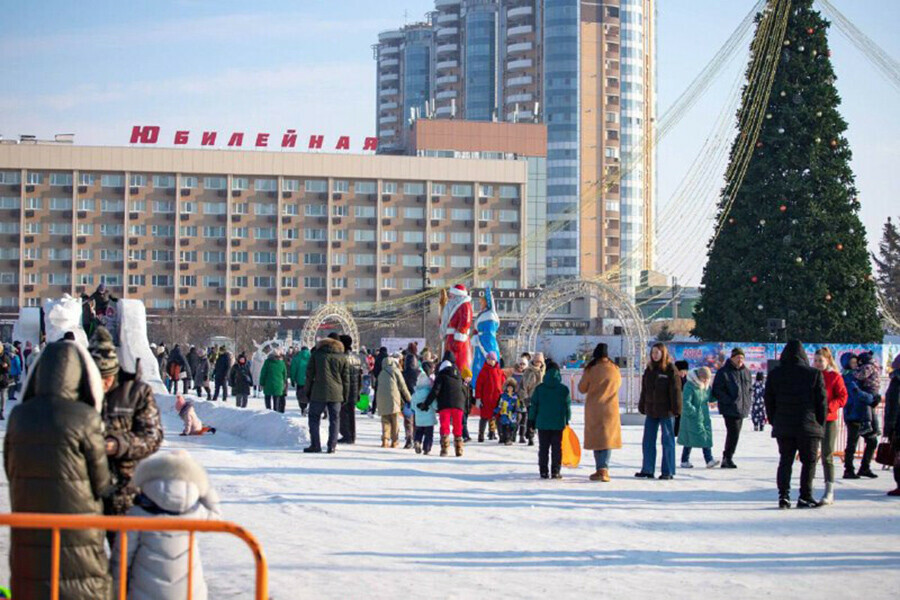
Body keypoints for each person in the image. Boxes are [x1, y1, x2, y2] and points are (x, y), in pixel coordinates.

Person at [5, 340, 113, 599]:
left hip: (29, 527)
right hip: (79, 532)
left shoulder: (19, 416)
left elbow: (10, 469)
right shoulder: (85, 417)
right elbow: (101, 482)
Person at [111, 450, 221, 599]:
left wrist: (117, 591)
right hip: (188, 592)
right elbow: (216, 517)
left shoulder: (139, 511)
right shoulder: (194, 512)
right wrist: (203, 483)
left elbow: (123, 556)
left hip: (144, 591)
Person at [88, 326, 164, 525]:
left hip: (127, 491)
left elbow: (153, 436)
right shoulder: (80, 392)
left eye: (107, 378)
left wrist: (117, 444)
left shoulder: (137, 393)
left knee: (124, 554)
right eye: (97, 378)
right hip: (87, 493)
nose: (103, 384)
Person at [765, 340, 827, 509]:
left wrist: (774, 420)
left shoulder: (775, 374)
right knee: (809, 462)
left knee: (785, 461)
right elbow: (821, 403)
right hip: (808, 425)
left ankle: (783, 496)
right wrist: (819, 424)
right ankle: (805, 496)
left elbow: (769, 401)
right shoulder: (813, 374)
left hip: (784, 425)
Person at [636, 342, 682, 480]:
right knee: (648, 440)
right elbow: (645, 390)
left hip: (666, 411)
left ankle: (668, 471)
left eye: (657, 352)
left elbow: (676, 391)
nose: (655, 355)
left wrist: (676, 408)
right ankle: (647, 469)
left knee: (667, 441)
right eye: (653, 352)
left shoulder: (671, 370)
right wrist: (642, 404)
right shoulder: (649, 369)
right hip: (651, 410)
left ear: (663, 353)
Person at [579, 343, 622, 482]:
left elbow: (582, 388)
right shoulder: (615, 369)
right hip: (611, 408)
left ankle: (601, 469)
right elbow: (619, 384)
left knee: (597, 439)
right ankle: (603, 468)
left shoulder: (592, 369)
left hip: (594, 408)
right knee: (607, 439)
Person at [814, 348, 848, 505]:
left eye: (821, 361)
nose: (818, 364)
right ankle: (807, 489)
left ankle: (829, 490)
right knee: (811, 455)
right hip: (812, 420)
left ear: (828, 361)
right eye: (815, 361)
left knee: (827, 455)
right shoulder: (811, 376)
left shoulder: (834, 377)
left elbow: (843, 396)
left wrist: (830, 407)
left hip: (828, 420)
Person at [528, 360, 572, 480]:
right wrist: (567, 420)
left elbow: (534, 406)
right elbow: (567, 407)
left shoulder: (539, 389)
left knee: (543, 448)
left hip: (542, 423)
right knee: (557, 448)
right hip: (558, 423)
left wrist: (531, 420)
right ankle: (555, 471)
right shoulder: (564, 390)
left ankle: (543, 471)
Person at [305, 337, 350, 454]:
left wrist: (307, 392)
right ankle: (332, 446)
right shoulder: (342, 357)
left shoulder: (316, 355)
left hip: (318, 392)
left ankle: (315, 445)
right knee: (335, 419)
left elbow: (309, 375)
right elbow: (346, 379)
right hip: (336, 393)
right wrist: (345, 395)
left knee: (314, 418)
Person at [711, 347, 753, 469]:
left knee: (735, 434)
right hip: (730, 409)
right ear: (732, 358)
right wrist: (729, 401)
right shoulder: (724, 372)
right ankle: (727, 457)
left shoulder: (746, 372)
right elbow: (717, 390)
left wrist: (748, 400)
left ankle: (728, 456)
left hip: (742, 408)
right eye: (738, 357)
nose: (740, 360)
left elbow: (749, 389)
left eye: (742, 358)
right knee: (733, 433)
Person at [420, 351, 468, 457]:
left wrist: (426, 404)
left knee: (445, 426)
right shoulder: (458, 375)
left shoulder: (441, 375)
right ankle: (459, 449)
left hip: (444, 404)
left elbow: (435, 391)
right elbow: (464, 390)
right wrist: (465, 404)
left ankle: (444, 449)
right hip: (458, 404)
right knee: (457, 426)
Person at [840, 353, 880, 479]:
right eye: (852, 363)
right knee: (852, 442)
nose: (856, 365)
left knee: (872, 441)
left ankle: (864, 467)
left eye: (856, 362)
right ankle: (848, 469)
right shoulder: (848, 377)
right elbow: (857, 394)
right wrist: (872, 398)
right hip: (853, 413)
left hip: (862, 412)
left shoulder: (858, 376)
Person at [677, 367, 719, 469]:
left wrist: (717, 396)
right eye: (704, 378)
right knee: (698, 437)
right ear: (699, 376)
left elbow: (710, 397)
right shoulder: (690, 386)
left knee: (696, 438)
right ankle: (708, 459)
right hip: (692, 417)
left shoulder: (706, 386)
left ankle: (685, 460)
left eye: (707, 378)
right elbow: (686, 402)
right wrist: (694, 412)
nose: (705, 380)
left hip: (703, 416)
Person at [376, 353, 411, 449]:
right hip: (393, 397)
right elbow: (403, 386)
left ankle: (385, 440)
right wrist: (409, 399)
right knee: (394, 419)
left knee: (385, 419)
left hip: (382, 398)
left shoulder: (381, 373)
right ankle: (394, 441)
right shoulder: (395, 370)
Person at [475, 351, 505, 442]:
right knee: (484, 417)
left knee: (498, 418)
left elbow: (503, 384)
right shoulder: (483, 371)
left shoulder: (499, 371)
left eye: (492, 359)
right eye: (488, 359)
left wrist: (503, 396)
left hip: (497, 399)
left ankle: (501, 435)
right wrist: (478, 398)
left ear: (495, 361)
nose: (490, 361)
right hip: (486, 399)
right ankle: (481, 434)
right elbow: (478, 386)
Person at [339, 334, 362, 445]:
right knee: (351, 414)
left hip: (344, 389)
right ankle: (352, 435)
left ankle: (346, 435)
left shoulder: (342, 358)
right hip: (354, 389)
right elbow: (359, 377)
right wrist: (358, 390)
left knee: (344, 414)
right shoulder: (356, 358)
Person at [518, 352, 546, 445]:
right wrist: (525, 398)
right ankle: (530, 436)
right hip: (531, 398)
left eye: (539, 361)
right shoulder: (528, 371)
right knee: (531, 418)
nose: (538, 363)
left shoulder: (545, 372)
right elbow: (522, 386)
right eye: (536, 361)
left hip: (542, 399)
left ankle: (539, 436)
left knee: (541, 419)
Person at [411, 362, 437, 454]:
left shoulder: (415, 393)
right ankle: (426, 448)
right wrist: (436, 408)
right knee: (429, 434)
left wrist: (416, 409)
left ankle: (417, 441)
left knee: (419, 432)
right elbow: (434, 404)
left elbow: (413, 406)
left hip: (419, 418)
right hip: (429, 418)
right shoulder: (429, 392)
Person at [884, 354, 900, 497]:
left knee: (898, 456)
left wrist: (889, 426)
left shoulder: (896, 381)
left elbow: (893, 405)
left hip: (898, 424)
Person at [401, 342, 421, 449]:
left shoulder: (404, 372)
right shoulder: (418, 372)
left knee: (408, 419)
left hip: (407, 397)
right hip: (416, 396)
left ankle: (409, 438)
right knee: (416, 419)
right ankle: (416, 438)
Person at [495, 381, 520, 445]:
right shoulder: (503, 396)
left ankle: (510, 438)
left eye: (511, 388)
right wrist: (495, 411)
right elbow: (499, 404)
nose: (509, 389)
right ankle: (506, 438)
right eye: (508, 387)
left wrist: (517, 410)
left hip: (512, 414)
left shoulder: (515, 396)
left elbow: (518, 404)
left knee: (512, 427)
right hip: (504, 414)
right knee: (505, 427)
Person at [290, 346, 312, 415]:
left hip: (300, 380)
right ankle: (309, 407)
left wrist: (292, 379)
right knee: (310, 394)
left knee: (300, 395)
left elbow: (293, 370)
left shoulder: (296, 358)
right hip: (310, 381)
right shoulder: (312, 357)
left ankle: (303, 408)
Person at [0, 344, 10, 420]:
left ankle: (1, 412)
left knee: (3, 397)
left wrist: (6, 366)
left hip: (3, 380)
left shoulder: (5, 357)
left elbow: (8, 368)